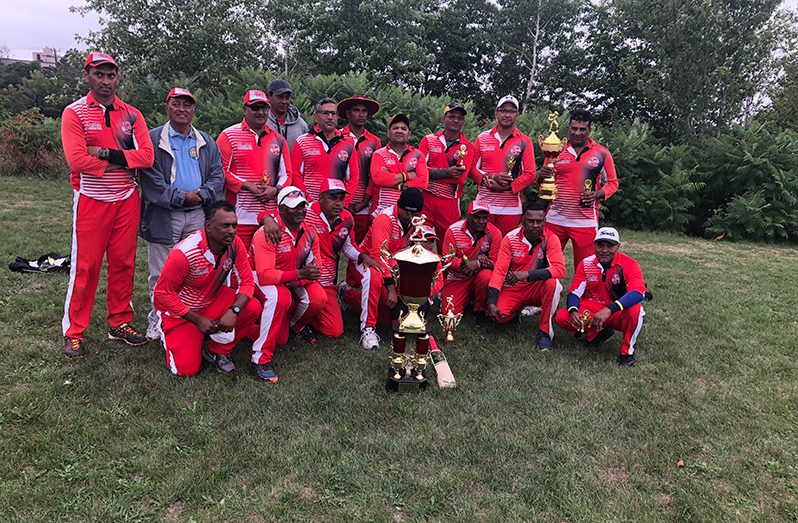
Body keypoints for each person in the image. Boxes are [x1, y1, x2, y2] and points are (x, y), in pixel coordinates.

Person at [60, 52, 154, 359]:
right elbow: (76, 161)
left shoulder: (132, 115)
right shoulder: (74, 113)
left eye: (110, 75)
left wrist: (103, 154)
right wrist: (124, 162)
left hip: (127, 198)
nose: (105, 81)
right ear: (87, 75)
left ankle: (120, 322)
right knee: (86, 267)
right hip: (91, 199)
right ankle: (74, 332)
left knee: (124, 264)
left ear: (118, 77)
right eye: (99, 75)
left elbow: (147, 158)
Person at [140, 87, 224, 340]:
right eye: (176, 104)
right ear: (167, 106)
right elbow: (150, 178)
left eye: (187, 105)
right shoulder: (153, 139)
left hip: (198, 213)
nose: (182, 109)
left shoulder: (205, 141)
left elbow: (218, 175)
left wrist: (203, 194)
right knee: (161, 271)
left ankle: (187, 316)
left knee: (194, 267)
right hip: (165, 215)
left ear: (194, 110)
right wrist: (180, 196)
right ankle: (157, 319)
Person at [263, 179, 382, 341]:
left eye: (341, 198)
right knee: (307, 304)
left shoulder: (347, 218)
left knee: (334, 331)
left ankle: (314, 309)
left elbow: (349, 247)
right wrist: (267, 219)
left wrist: (362, 256)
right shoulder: (304, 211)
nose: (338, 203)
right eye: (333, 198)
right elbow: (276, 216)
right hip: (302, 278)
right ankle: (296, 320)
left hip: (327, 283)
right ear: (320, 198)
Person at [153, 201, 261, 376]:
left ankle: (217, 350)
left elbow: (247, 283)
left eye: (234, 225)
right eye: (225, 226)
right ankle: (166, 331)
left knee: (252, 307)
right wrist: (197, 319)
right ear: (208, 226)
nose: (232, 231)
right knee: (186, 370)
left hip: (212, 300)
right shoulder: (185, 253)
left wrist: (233, 311)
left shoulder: (235, 244)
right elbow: (162, 293)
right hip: (181, 313)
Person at [251, 187, 324, 382]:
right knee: (279, 297)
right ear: (281, 209)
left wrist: (298, 278)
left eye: (302, 206)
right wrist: (298, 275)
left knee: (318, 297)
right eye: (293, 207)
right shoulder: (267, 232)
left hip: (288, 277)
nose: (300, 210)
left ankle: (295, 325)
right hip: (257, 277)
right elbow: (265, 275)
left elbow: (317, 268)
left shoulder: (309, 233)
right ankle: (260, 358)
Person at [341, 188, 425, 350]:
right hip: (367, 263)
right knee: (374, 277)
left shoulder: (414, 222)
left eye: (415, 214)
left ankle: (350, 295)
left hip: (391, 266)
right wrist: (391, 288)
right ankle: (367, 328)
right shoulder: (384, 219)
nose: (412, 217)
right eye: (408, 213)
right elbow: (378, 258)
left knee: (386, 315)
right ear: (399, 207)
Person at [554, 227, 645, 366]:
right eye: (600, 245)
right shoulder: (586, 264)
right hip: (594, 307)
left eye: (610, 246)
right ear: (594, 245)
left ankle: (627, 352)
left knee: (635, 310)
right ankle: (598, 332)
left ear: (618, 247)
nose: (604, 250)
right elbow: (574, 292)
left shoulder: (630, 264)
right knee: (562, 317)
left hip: (617, 310)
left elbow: (639, 293)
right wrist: (573, 311)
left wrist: (609, 309)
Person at [540, 109, 618, 268]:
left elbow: (612, 183)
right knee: (545, 263)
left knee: (586, 268)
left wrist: (597, 194)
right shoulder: (555, 149)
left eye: (582, 129)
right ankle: (548, 291)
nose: (577, 133)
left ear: (589, 130)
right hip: (555, 218)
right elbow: (544, 183)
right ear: (568, 129)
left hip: (585, 221)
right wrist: (540, 175)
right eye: (574, 128)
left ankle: (583, 293)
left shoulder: (602, 153)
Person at [217, 89, 292, 251]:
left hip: (271, 216)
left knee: (267, 266)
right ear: (245, 109)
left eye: (264, 108)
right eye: (255, 108)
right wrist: (247, 185)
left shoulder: (279, 139)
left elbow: (287, 174)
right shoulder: (229, 135)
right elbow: (221, 172)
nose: (261, 112)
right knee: (239, 265)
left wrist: (275, 189)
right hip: (239, 216)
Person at [486, 202, 565, 351]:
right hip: (515, 287)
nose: (535, 225)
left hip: (538, 286)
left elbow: (560, 270)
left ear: (545, 222)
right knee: (499, 316)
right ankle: (514, 313)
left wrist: (527, 274)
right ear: (523, 220)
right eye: (530, 221)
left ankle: (545, 333)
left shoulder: (551, 238)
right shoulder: (510, 238)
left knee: (553, 284)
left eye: (539, 221)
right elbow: (499, 271)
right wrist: (491, 301)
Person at [469, 95, 537, 236]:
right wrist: (489, 178)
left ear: (517, 115)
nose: (507, 114)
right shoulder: (482, 138)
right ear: (496, 113)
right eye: (503, 110)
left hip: (510, 208)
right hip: (483, 206)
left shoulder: (524, 141)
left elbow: (530, 174)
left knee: (506, 250)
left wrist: (506, 187)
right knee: (482, 247)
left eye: (512, 111)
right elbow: (471, 168)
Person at [419, 102, 475, 246]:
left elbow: (460, 178)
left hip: (449, 201)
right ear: (444, 118)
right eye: (451, 116)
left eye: (460, 118)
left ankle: (446, 269)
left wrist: (432, 172)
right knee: (420, 242)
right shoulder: (428, 140)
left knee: (448, 245)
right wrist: (446, 172)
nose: (456, 120)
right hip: (426, 199)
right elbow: (419, 170)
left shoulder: (467, 146)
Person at [440, 201, 502, 326]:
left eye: (484, 218)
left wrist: (478, 264)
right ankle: (466, 299)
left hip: (480, 277)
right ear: (468, 217)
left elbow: (497, 263)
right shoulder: (453, 230)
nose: (481, 221)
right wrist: (465, 264)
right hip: (457, 278)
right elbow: (447, 259)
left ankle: (479, 311)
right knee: (448, 315)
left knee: (486, 277)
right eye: (477, 217)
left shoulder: (494, 233)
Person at [291, 97, 359, 203]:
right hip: (309, 205)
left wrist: (343, 203)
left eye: (333, 114)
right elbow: (295, 174)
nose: (330, 117)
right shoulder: (302, 141)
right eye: (325, 113)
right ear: (316, 117)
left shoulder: (348, 143)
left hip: (336, 206)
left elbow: (353, 177)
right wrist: (307, 200)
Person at [338, 95, 382, 243]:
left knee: (359, 247)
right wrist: (343, 202)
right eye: (356, 110)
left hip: (363, 204)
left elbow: (375, 174)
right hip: (338, 201)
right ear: (348, 114)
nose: (361, 114)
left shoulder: (374, 142)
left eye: (364, 111)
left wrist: (364, 201)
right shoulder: (338, 137)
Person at [369, 114, 429, 218]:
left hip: (408, 214)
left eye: (403, 128)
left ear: (409, 134)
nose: (399, 131)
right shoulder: (378, 154)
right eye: (395, 128)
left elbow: (423, 182)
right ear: (388, 133)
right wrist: (408, 175)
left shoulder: (418, 155)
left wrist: (392, 178)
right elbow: (379, 178)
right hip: (381, 212)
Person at [265, 79, 309, 150]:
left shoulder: (301, 125)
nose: (284, 101)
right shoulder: (262, 122)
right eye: (280, 97)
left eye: (287, 98)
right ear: (269, 97)